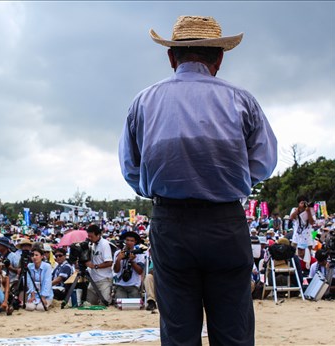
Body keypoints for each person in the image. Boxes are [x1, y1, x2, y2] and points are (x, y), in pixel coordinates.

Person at [119, 15, 277, 345]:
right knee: (233, 331)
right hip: (225, 223)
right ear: (219, 57)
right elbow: (262, 164)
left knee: (178, 332)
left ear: (171, 56)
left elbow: (132, 169)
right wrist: (228, 178)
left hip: (171, 223)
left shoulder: (144, 102)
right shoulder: (242, 100)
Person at [84, 224, 113, 305]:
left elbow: (109, 262)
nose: (89, 238)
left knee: (105, 303)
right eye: (88, 236)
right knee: (89, 303)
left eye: (91, 236)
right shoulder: (92, 245)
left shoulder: (104, 244)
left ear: (98, 235)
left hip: (104, 280)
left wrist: (95, 266)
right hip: (93, 280)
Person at [112, 231, 145, 299]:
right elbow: (116, 270)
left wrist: (132, 261)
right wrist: (118, 259)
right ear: (124, 241)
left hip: (134, 285)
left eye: (131, 241)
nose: (129, 242)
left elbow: (140, 271)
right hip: (120, 285)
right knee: (120, 304)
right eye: (127, 240)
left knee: (134, 306)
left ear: (135, 242)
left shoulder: (139, 254)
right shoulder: (118, 253)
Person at [25, 244, 53, 311]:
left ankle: (50, 301)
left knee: (41, 308)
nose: (34, 257)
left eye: (36, 255)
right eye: (32, 255)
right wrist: (32, 295)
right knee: (29, 307)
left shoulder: (47, 266)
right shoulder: (29, 266)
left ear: (42, 256)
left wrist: (43, 297)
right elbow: (29, 281)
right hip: (34, 294)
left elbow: (47, 282)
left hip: (46, 295)